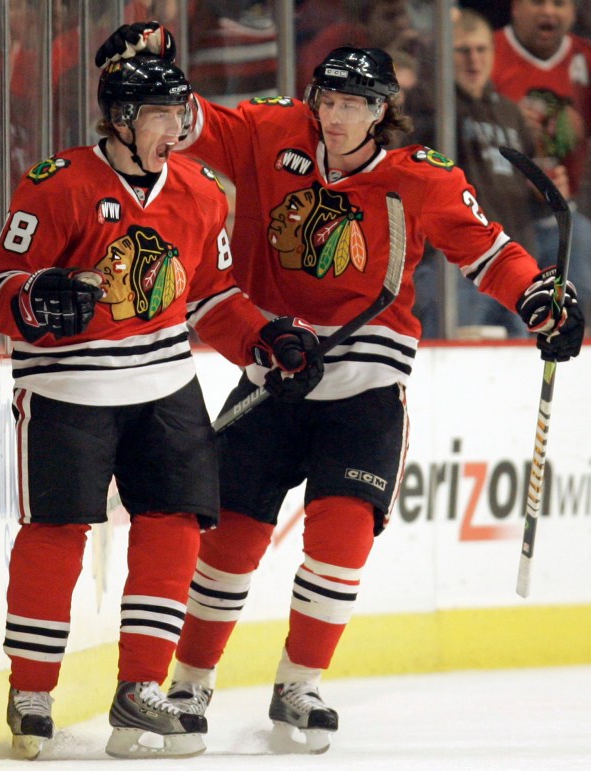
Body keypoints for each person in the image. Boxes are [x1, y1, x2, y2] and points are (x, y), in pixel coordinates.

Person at [95, 26, 585, 753]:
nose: (336, 114)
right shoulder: (270, 129)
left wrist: (538, 299)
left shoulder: (423, 176)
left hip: (367, 378)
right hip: (276, 367)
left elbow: (488, 252)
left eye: (355, 103)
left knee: (342, 532)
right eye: (328, 97)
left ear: (382, 108)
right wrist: (145, 65)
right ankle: (191, 681)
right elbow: (186, 120)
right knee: (230, 536)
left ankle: (300, 681)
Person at [0, 53, 322, 760]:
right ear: (123, 120)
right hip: (67, 388)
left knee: (175, 527)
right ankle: (32, 690)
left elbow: (212, 297)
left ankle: (141, 687)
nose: (179, 128)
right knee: (57, 528)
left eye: (181, 113)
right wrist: (37, 296)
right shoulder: (59, 185)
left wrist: (264, 338)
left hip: (166, 386)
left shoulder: (201, 189)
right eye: (164, 116)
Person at [492, 0, 591, 322]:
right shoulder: (483, 53)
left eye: (559, 3)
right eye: (537, 2)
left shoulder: (586, 58)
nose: (548, 12)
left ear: (574, 11)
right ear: (515, 7)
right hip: (501, 217)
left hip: (567, 215)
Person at [453, 9, 536, 336]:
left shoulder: (510, 112)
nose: (473, 59)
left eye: (481, 49)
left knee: (522, 365)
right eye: (462, 50)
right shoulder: (432, 106)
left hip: (515, 260)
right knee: (459, 365)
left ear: (492, 52)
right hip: (458, 268)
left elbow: (530, 180)